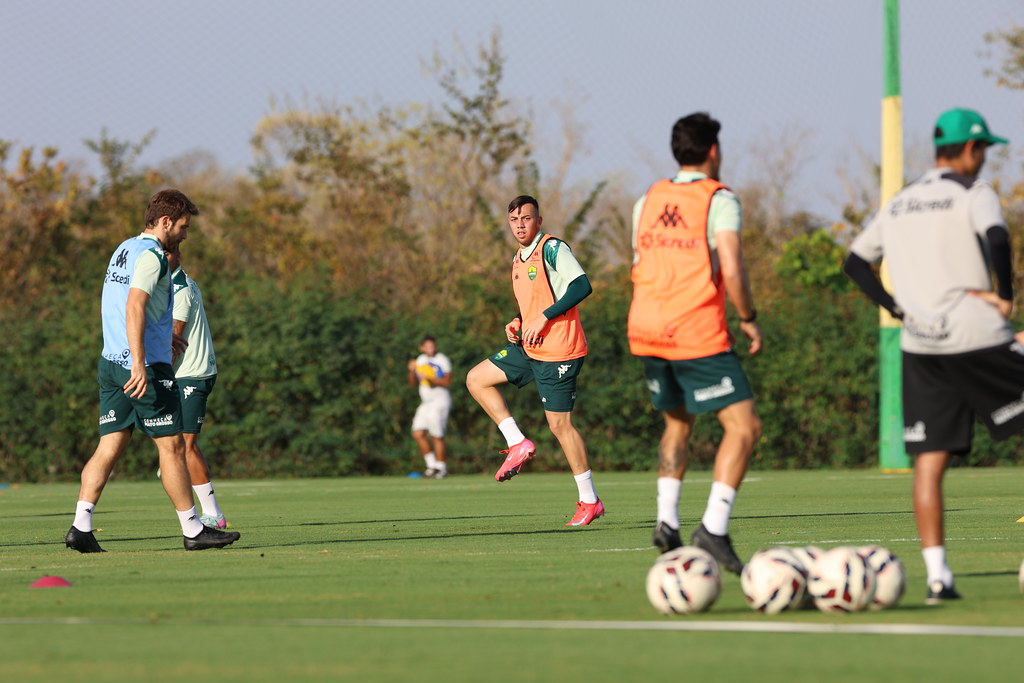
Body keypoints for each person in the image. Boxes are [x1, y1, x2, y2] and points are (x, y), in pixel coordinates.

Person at [844, 107, 1016, 604]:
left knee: (929, 464)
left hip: (922, 346)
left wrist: (896, 310)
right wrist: (1006, 294)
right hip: (978, 336)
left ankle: (939, 577)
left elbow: (855, 263)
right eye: (983, 150)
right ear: (969, 149)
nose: (983, 160)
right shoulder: (974, 193)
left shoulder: (900, 202)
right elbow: (998, 238)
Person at [65, 189, 240, 553]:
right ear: (165, 222)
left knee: (110, 444)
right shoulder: (153, 256)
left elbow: (122, 305)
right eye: (182, 226)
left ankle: (80, 526)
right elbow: (134, 307)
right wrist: (140, 361)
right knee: (173, 446)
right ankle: (194, 530)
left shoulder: (124, 248)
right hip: (139, 366)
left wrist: (163, 340)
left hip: (111, 361)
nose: (185, 233)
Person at [628, 112, 763, 575]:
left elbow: (641, 260)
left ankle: (666, 521)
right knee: (744, 427)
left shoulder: (647, 198)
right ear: (712, 151)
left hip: (646, 329)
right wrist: (748, 317)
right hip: (695, 330)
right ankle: (714, 528)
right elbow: (732, 264)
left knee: (677, 424)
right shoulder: (718, 198)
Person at [465, 195, 604, 526]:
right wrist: (517, 320)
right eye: (514, 220)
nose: (520, 225)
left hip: (560, 349)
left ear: (538, 221)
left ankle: (590, 500)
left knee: (560, 425)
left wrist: (544, 317)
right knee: (476, 379)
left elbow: (582, 286)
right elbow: (536, 302)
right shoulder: (517, 259)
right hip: (530, 346)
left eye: (526, 219)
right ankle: (517, 442)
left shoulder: (552, 248)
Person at [168, 244, 229, 528]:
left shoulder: (180, 288)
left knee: (186, 446)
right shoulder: (168, 286)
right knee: (178, 447)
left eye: (164, 254)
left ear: (176, 255)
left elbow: (174, 340)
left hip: (192, 374)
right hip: (185, 374)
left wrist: (155, 373)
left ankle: (214, 515)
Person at [408, 334, 453, 478]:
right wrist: (411, 371)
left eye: (432, 346)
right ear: (421, 347)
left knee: (436, 435)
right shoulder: (420, 360)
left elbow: (447, 382)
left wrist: (431, 379)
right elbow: (412, 383)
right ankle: (431, 466)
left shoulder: (442, 359)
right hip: (425, 402)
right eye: (427, 346)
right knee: (417, 433)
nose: (430, 349)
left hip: (439, 400)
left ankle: (441, 468)